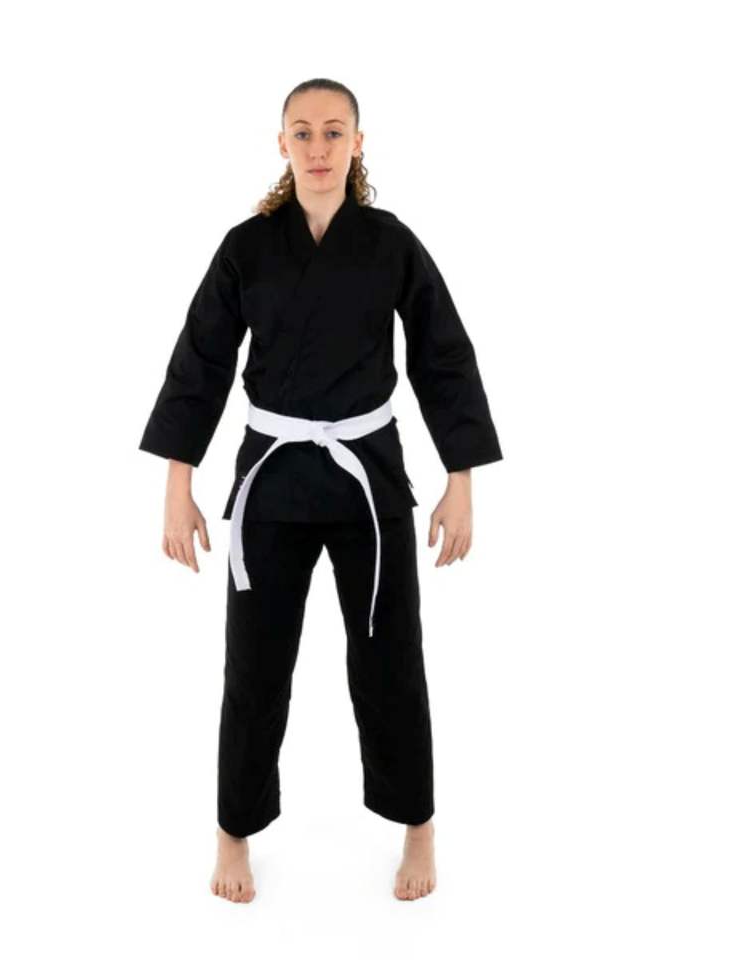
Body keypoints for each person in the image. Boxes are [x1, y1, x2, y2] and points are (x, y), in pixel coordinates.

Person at [139, 78, 503, 903]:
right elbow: (200, 361)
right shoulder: (247, 247)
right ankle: (233, 832)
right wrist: (177, 486)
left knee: (391, 660)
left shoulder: (390, 243)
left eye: (334, 131)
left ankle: (418, 825)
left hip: (368, 479)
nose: (317, 147)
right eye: (301, 132)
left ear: (358, 143)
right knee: (254, 667)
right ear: (281, 145)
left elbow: (442, 355)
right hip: (271, 482)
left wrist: (460, 480)